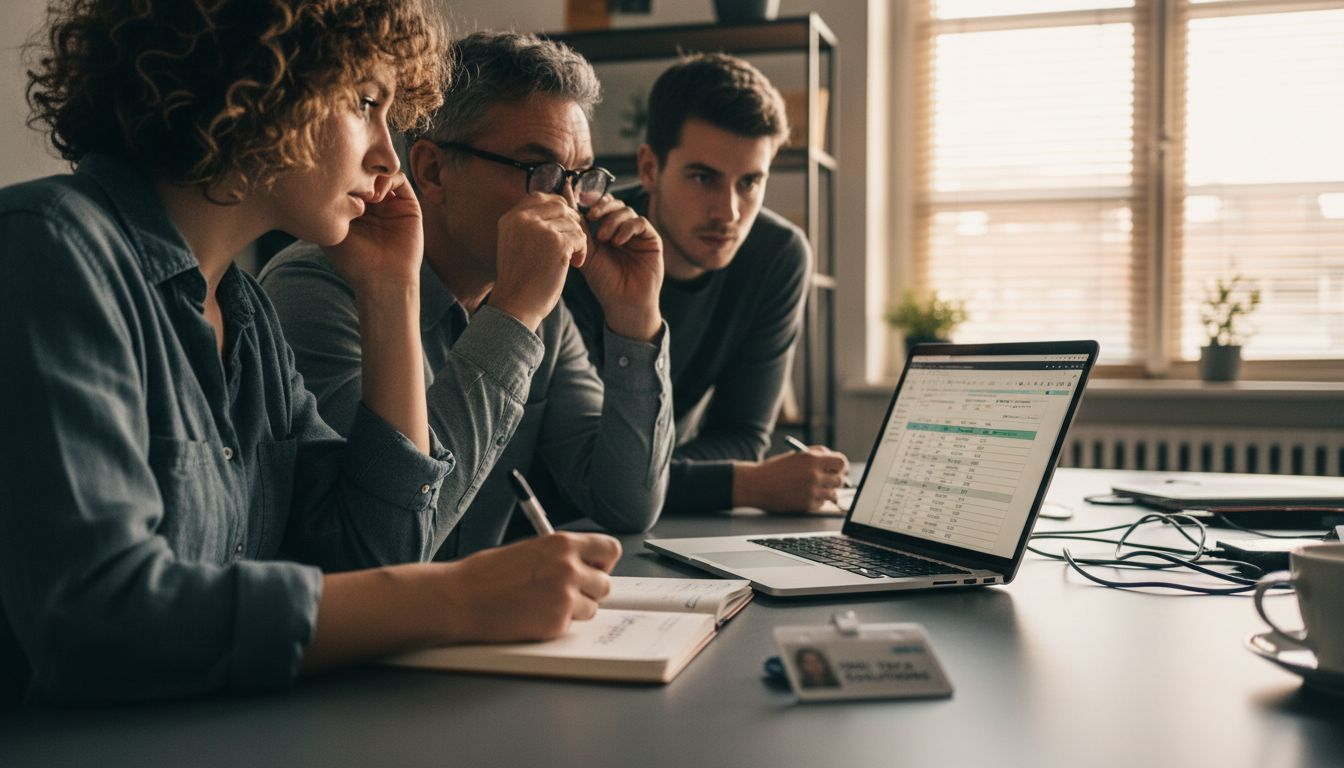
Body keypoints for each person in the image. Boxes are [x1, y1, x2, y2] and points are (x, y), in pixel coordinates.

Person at [0, 0, 619, 705]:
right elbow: (95, 618)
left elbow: (374, 555)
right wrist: (457, 598)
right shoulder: (50, 247)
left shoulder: (247, 315)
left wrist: (389, 292)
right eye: (366, 103)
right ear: (256, 82)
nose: (389, 156)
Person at [259, 31, 672, 557]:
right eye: (539, 171)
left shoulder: (544, 308)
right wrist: (514, 318)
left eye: (580, 177)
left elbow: (626, 503)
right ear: (432, 170)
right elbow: (391, 541)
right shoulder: (317, 291)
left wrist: (635, 320)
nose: (570, 206)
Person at [562, 53, 850, 515]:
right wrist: (749, 486)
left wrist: (666, 478)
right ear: (650, 167)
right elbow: (582, 471)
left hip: (660, 521)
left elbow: (740, 436)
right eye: (703, 178)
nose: (729, 213)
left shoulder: (778, 256)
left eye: (750, 183)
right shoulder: (584, 251)